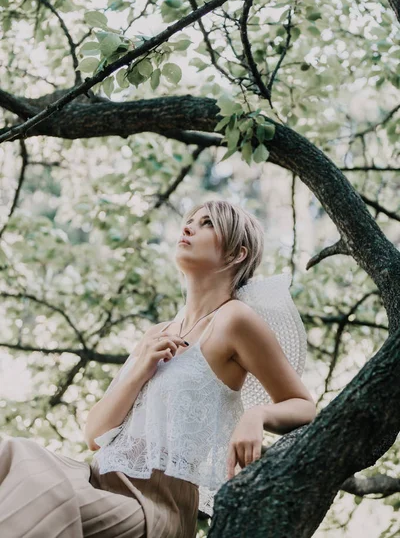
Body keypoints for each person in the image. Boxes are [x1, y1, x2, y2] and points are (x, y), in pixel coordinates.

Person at [0, 199, 315, 537]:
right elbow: (94, 435)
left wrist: (256, 416)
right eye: (190, 219)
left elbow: (305, 406)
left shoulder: (235, 320)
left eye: (207, 223)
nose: (188, 226)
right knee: (10, 453)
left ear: (237, 254)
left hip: (154, 507)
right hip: (96, 481)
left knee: (34, 488)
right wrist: (139, 369)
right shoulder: (157, 334)